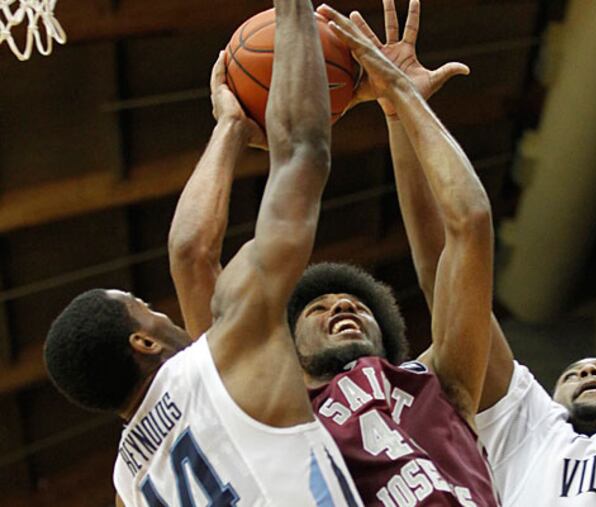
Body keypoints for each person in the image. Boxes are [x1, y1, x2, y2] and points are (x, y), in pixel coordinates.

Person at [362, 2, 596, 505]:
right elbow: (440, 269)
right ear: (550, 400)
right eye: (574, 373)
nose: (588, 372)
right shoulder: (527, 425)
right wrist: (401, 110)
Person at [168, 1, 500, 505]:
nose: (341, 306)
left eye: (355, 304)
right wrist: (230, 128)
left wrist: (403, 98)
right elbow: (193, 257)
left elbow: (470, 223)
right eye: (318, 308)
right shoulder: (271, 409)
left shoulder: (442, 384)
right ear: (287, 345)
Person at [43, 1, 362, 505]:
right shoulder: (224, 356)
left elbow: (192, 256)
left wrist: (230, 128)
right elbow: (303, 153)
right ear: (144, 344)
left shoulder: (129, 485)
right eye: (146, 308)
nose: (164, 310)